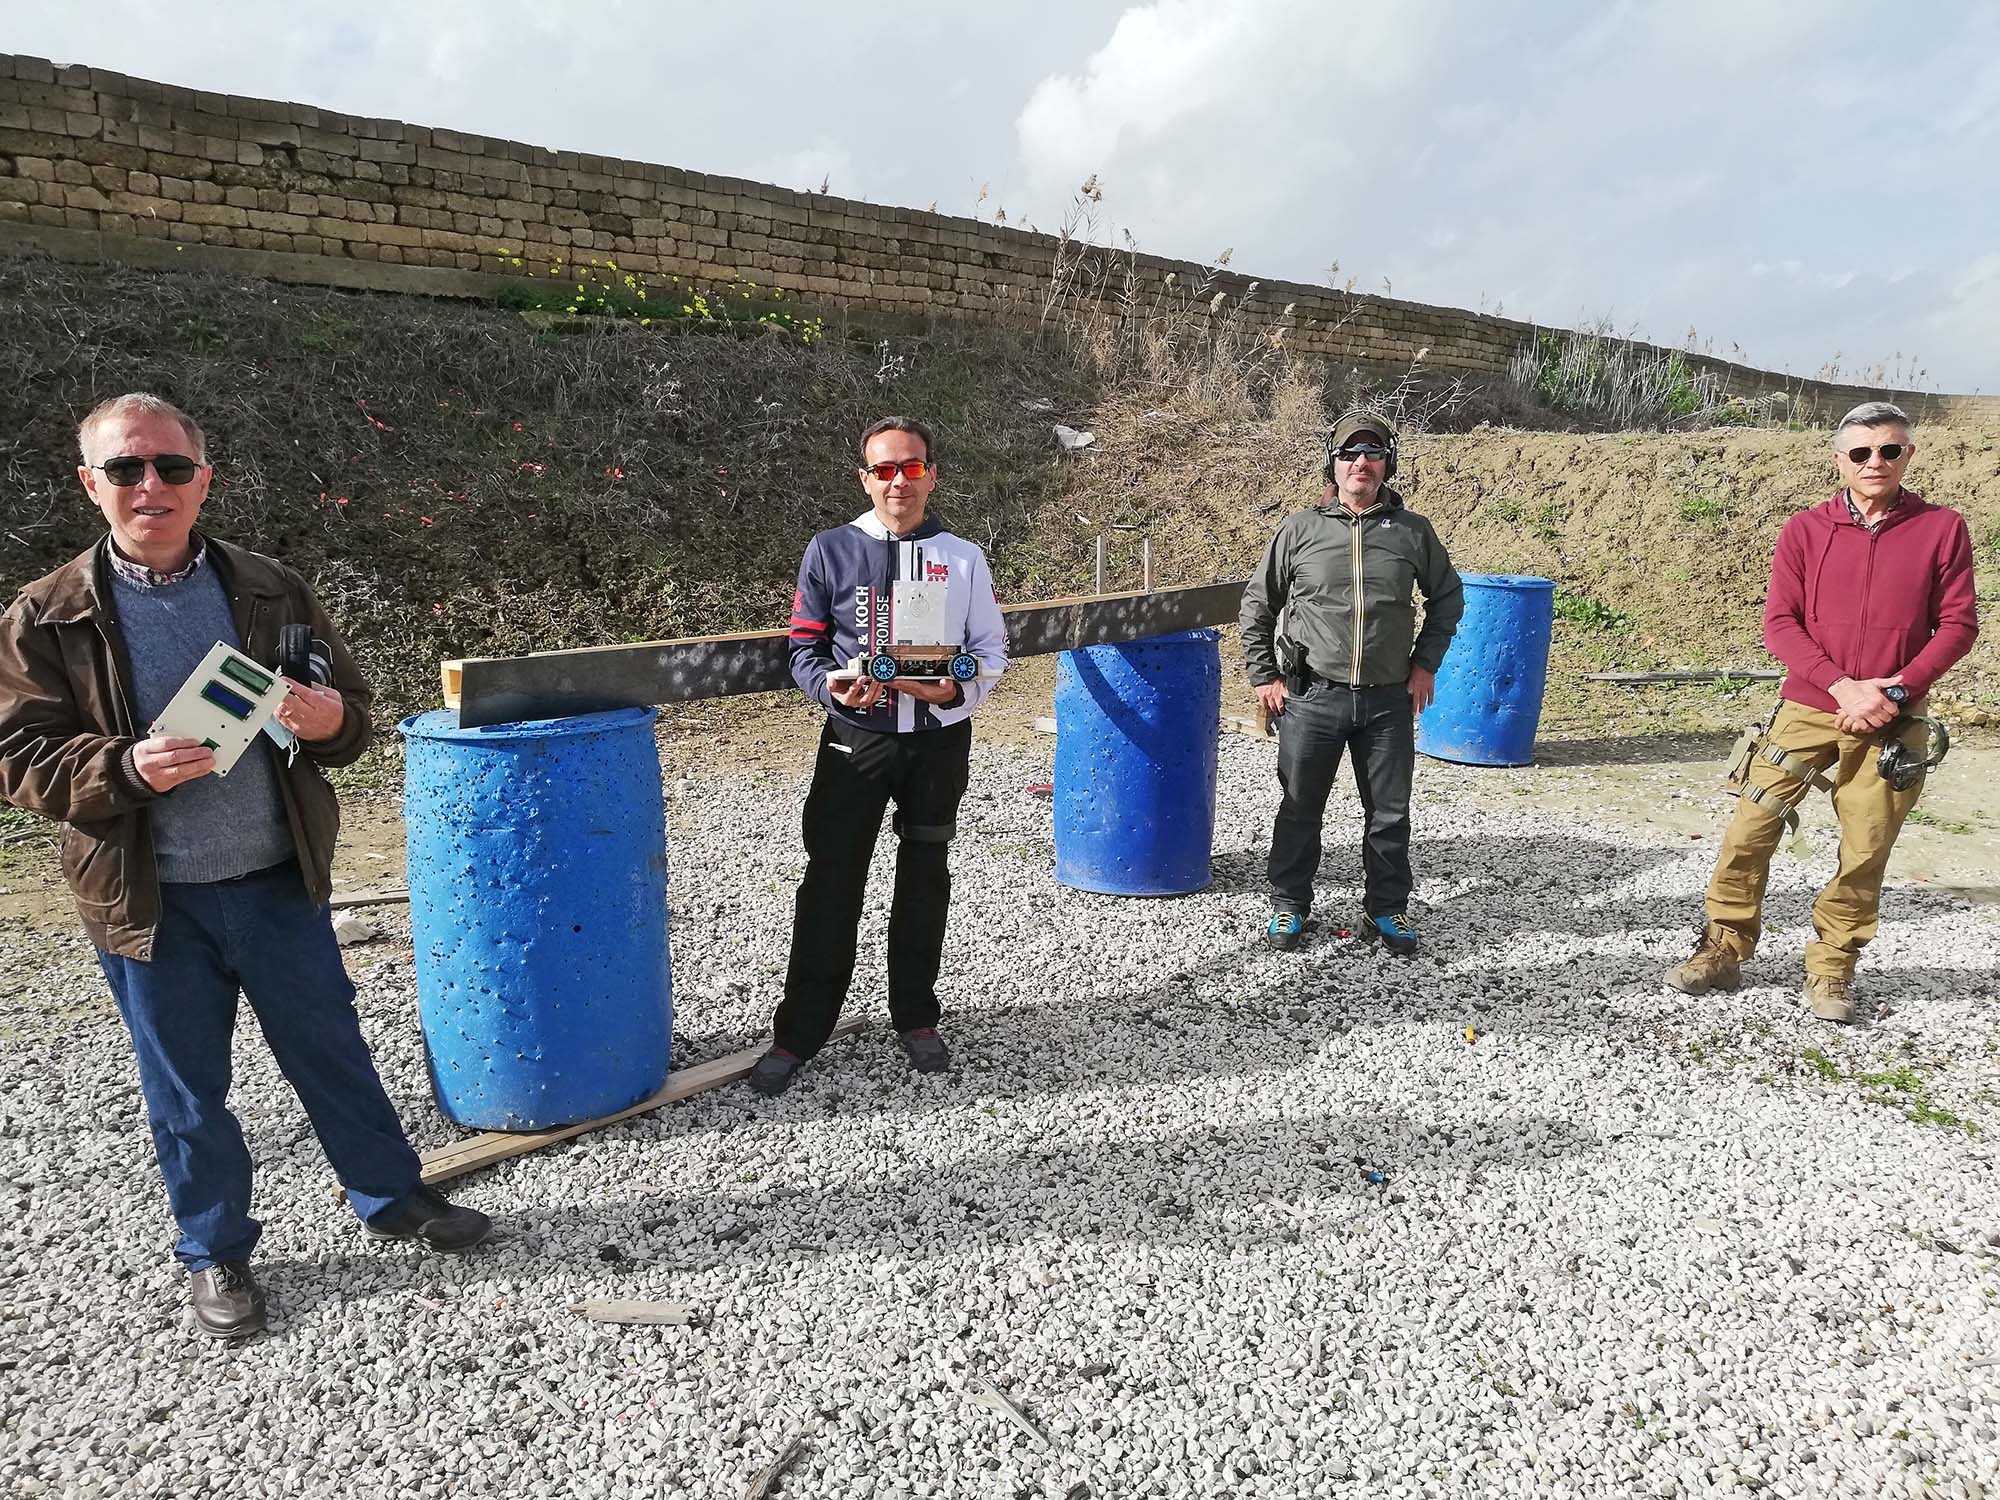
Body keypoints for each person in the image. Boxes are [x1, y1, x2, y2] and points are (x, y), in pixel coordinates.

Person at [0, 393, 491, 1342]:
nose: (152, 487)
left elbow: (349, 712)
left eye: (172, 469)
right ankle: (215, 1249)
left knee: (333, 1054)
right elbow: (17, 756)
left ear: (204, 478)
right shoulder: (44, 617)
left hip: (275, 878)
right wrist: (121, 765)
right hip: (153, 899)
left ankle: (391, 1197)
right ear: (89, 484)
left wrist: (329, 720)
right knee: (186, 1089)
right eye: (127, 470)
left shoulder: (268, 586)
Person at [1666, 402, 1979, 1021]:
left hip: (1893, 717)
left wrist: (1892, 692)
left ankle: (1833, 968)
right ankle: (1723, 948)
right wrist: (1841, 686)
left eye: (1890, 450)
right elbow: (1780, 624)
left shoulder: (1942, 528)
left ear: (1908, 456)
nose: (1875, 462)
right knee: (1748, 832)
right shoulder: (1805, 531)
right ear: (1839, 459)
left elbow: (1958, 624)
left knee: (1866, 847)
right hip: (1810, 706)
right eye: (1861, 452)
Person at [749, 416, 1009, 1095]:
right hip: (854, 741)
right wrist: (832, 688)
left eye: (912, 467)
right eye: (886, 469)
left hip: (937, 743)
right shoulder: (831, 549)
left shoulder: (963, 556)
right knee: (832, 882)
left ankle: (916, 1016)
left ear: (931, 473)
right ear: (866, 479)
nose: (900, 481)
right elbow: (803, 649)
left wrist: (954, 686)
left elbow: (992, 651)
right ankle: (800, 1031)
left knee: (925, 876)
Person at [1240, 409, 1464, 956]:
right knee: (1299, 806)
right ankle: (1289, 906)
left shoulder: (1412, 532)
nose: (1361, 462)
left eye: (1373, 453)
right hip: (1314, 696)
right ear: (1332, 465)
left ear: (1388, 464)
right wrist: (1264, 674)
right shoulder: (1299, 529)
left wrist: (1425, 663)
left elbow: (1447, 599)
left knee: (1389, 812)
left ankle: (1386, 909)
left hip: (1387, 700)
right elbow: (1257, 604)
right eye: (1349, 454)